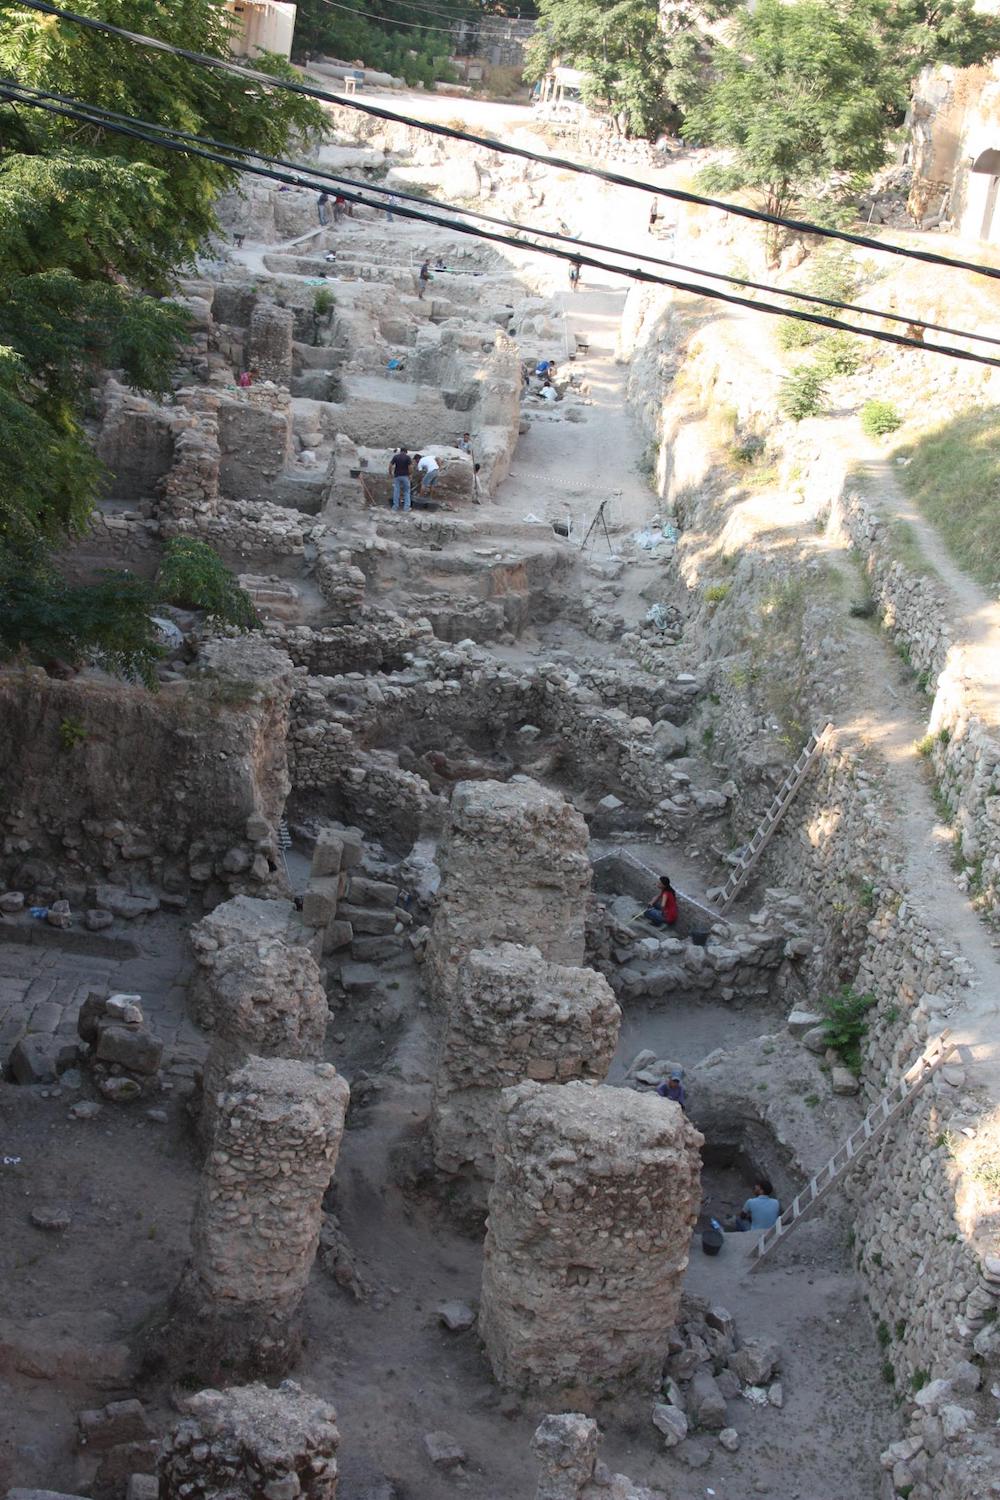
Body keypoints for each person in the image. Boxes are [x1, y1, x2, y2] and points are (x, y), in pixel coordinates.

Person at [388, 446, 413, 512]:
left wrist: (390, 473)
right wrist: (410, 474)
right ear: (406, 452)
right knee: (406, 492)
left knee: (396, 491)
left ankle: (395, 507)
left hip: (397, 476)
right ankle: (406, 508)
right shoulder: (407, 457)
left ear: (400, 451)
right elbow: (410, 467)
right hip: (405, 476)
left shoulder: (396, 457)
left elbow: (390, 465)